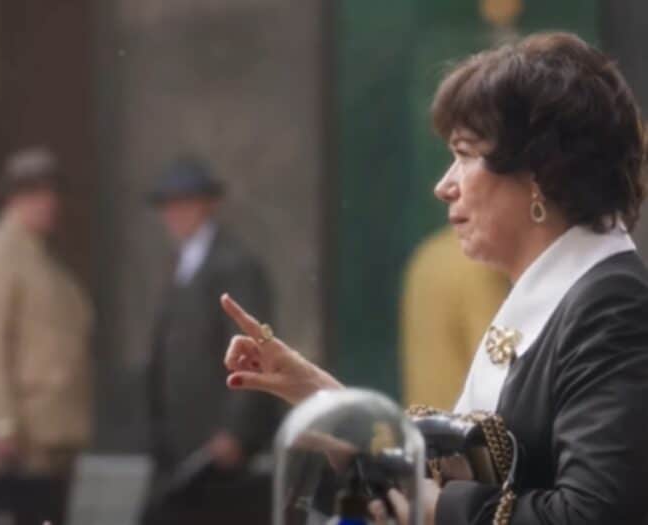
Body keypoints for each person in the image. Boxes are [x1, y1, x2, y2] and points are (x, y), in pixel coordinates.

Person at [221, 32, 648, 524]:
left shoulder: (611, 305)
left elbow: (596, 514)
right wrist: (329, 403)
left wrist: (439, 508)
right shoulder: (562, 296)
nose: (444, 185)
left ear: (538, 173)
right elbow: (449, 476)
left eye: (465, 154)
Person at [142, 157, 280, 525]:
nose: (176, 214)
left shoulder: (234, 263)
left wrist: (236, 431)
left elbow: (252, 346)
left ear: (208, 204)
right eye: (169, 205)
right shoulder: (179, 263)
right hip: (180, 441)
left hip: (218, 447)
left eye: (185, 202)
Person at [0, 148, 93, 501]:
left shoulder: (41, 256)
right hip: (26, 433)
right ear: (12, 197)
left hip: (57, 427)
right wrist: (1, 424)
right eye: (34, 193)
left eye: (51, 192)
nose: (48, 203)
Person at [400, 225, 508, 409]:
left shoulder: (433, 254)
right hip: (472, 430)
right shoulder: (478, 262)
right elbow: (502, 373)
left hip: (427, 429)